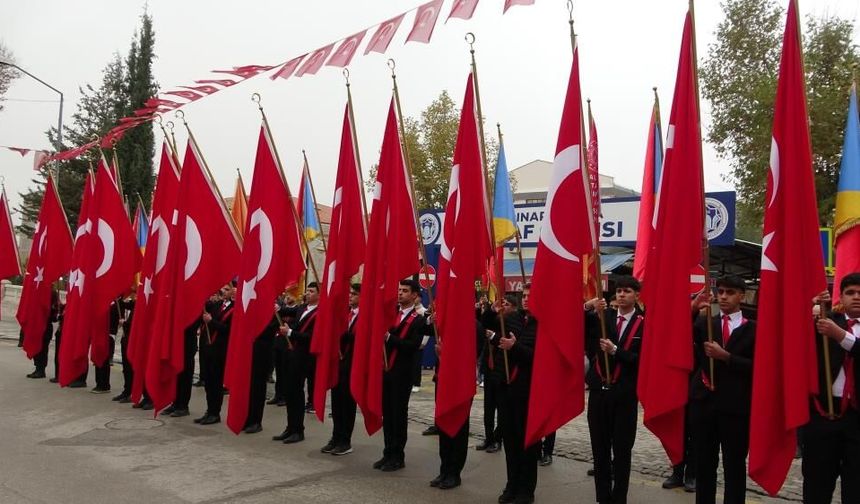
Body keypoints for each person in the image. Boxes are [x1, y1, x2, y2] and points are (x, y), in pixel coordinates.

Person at [689, 275, 755, 504]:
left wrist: (727, 357)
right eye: (721, 292)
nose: (724, 296)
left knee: (734, 465)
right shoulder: (706, 323)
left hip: (735, 407)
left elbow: (760, 368)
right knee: (704, 463)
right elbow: (676, 338)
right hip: (704, 402)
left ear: (741, 296)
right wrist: (692, 310)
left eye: (730, 292)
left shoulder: (753, 329)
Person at [585, 275, 645, 504]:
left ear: (636, 295)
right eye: (618, 291)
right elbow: (574, 323)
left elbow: (642, 360)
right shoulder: (603, 316)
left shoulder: (644, 321)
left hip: (625, 394)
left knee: (621, 450)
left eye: (627, 291)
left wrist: (616, 351)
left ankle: (619, 497)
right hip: (600, 391)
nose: (621, 295)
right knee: (599, 448)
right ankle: (602, 496)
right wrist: (588, 305)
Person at [806, 272, 860, 504]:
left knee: (856, 488)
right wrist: (810, 309)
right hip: (823, 413)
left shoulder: (835, 330)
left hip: (858, 419)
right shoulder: (826, 321)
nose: (856, 297)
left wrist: (840, 336)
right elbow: (796, 339)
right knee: (817, 484)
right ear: (841, 296)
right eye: (850, 293)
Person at [484, 287, 535, 504]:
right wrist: (490, 311)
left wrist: (514, 347)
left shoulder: (542, 323)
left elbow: (535, 357)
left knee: (527, 442)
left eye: (530, 296)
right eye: (523, 296)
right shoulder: (512, 317)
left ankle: (526, 490)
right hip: (505, 386)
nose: (526, 299)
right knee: (510, 440)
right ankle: (511, 484)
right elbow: (485, 326)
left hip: (527, 390)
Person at [373, 279, 425, 472]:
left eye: (405, 291)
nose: (400, 293)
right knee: (387, 414)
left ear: (414, 295)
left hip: (402, 373)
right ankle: (387, 452)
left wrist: (390, 338)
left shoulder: (418, 319)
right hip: (386, 371)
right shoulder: (391, 314)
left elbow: (413, 347)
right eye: (399, 290)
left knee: (398, 414)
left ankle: (398, 456)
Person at [431, 319, 483, 491]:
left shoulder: (473, 325)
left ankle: (454, 472)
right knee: (443, 425)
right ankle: (444, 469)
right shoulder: (447, 322)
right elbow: (425, 328)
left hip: (461, 382)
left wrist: (448, 354)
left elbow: (473, 352)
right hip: (444, 380)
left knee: (459, 427)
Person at [273, 282, 319, 444]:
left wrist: (291, 332)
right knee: (289, 392)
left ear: (320, 295)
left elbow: (313, 337)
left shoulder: (320, 313)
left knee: (297, 392)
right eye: (307, 290)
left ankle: (298, 429)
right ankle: (290, 427)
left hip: (305, 358)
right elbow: (286, 311)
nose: (307, 293)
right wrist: (275, 305)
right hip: (292, 355)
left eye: (312, 291)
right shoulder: (302, 308)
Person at [321, 284, 361, 455]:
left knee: (347, 404)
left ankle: (345, 440)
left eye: (354, 294)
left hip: (353, 365)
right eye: (350, 293)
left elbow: (363, 338)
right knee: (336, 403)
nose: (350, 296)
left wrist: (347, 336)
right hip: (339, 363)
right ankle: (335, 437)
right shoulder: (346, 314)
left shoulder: (365, 316)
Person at [195, 282, 235, 425]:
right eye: (222, 288)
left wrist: (212, 322)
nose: (222, 291)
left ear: (233, 291)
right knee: (208, 382)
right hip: (208, 348)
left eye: (226, 289)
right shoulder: (217, 305)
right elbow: (203, 310)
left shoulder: (234, 309)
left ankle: (215, 413)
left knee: (216, 383)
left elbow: (228, 329)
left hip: (221, 349)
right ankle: (209, 410)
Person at [476, 297, 503, 454]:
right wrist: (492, 310)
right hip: (489, 369)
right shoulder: (493, 319)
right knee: (488, 407)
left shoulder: (511, 321)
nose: (502, 307)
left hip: (502, 371)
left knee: (501, 408)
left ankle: (498, 439)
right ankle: (488, 437)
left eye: (506, 305)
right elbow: (483, 322)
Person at [27, 289, 59, 379]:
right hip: (36, 324)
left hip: (45, 325)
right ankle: (38, 368)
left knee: (43, 348)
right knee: (36, 346)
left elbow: (54, 313)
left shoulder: (52, 293)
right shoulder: (38, 290)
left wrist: (53, 312)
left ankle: (41, 370)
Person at [92, 298, 122, 394]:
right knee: (99, 359)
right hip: (100, 334)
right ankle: (99, 383)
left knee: (104, 360)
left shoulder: (114, 306)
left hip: (109, 335)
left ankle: (104, 385)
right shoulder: (103, 304)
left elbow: (115, 321)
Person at [112, 295, 136, 403]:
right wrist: (118, 295)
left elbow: (135, 323)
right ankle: (127, 391)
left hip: (133, 339)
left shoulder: (140, 303)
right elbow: (125, 304)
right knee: (126, 368)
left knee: (131, 368)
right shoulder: (134, 302)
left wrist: (124, 324)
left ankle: (131, 392)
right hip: (126, 338)